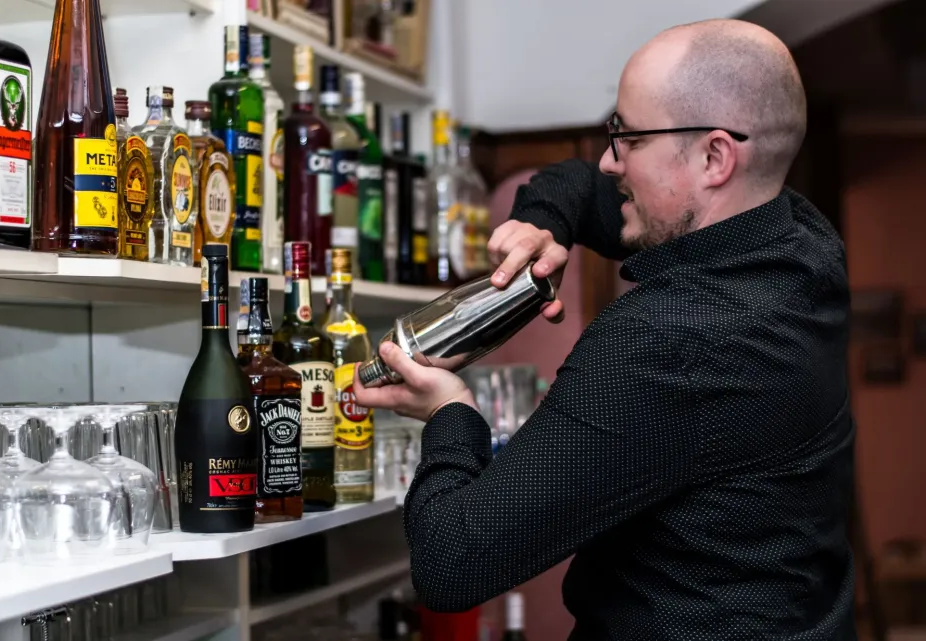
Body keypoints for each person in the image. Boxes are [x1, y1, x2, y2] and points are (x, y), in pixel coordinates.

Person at [353, 18, 856, 641]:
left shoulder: (667, 341)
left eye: (629, 138)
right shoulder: (805, 245)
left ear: (714, 157)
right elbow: (575, 185)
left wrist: (450, 412)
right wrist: (542, 226)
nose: (608, 160)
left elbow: (451, 563)